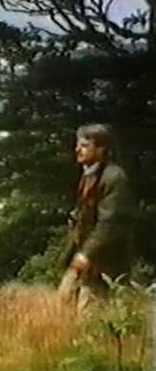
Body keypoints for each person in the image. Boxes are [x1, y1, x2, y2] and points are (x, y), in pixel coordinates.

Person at [59, 124, 136, 312]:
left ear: (101, 149)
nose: (78, 150)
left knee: (90, 313)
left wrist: (86, 254)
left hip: (105, 261)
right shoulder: (89, 174)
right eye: (78, 145)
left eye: (84, 146)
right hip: (85, 257)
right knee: (65, 302)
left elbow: (109, 223)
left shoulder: (114, 177)